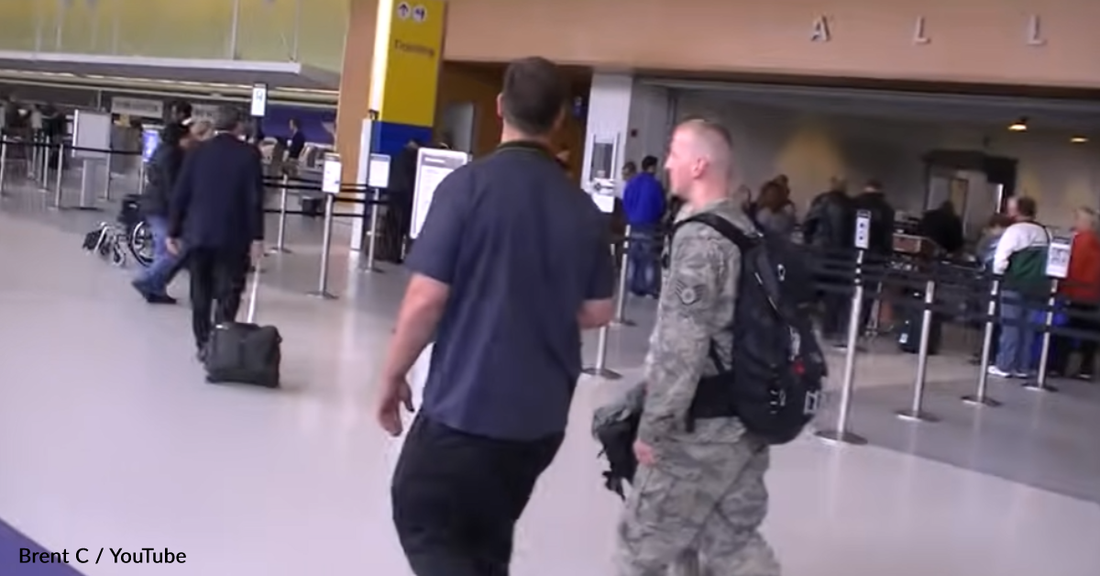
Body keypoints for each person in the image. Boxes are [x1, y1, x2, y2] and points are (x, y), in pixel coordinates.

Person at [377, 56, 615, 576]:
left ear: (501, 106)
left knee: (422, 513)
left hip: (468, 408)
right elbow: (599, 310)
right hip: (539, 422)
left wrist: (392, 374)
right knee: (486, 536)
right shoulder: (582, 210)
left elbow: (425, 299)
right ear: (558, 120)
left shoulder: (466, 188)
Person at [617, 118, 779, 576]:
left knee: (641, 548)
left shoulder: (701, 240)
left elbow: (680, 346)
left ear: (700, 163)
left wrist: (654, 427)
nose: (666, 162)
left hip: (697, 430)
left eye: (674, 152)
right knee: (725, 544)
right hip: (744, 420)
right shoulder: (744, 229)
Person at [167, 106, 265, 359]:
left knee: (200, 291)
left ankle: (202, 343)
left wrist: (173, 231)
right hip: (234, 237)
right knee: (229, 290)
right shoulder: (249, 155)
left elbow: (181, 192)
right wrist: (257, 237)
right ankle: (219, 340)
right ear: (238, 126)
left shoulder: (197, 152)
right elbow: (254, 198)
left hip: (198, 233)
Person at [990, 196, 1049, 378]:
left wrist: (998, 273)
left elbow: (1001, 259)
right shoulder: (1044, 231)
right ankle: (1022, 367)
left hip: (1014, 283)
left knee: (1010, 326)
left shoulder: (1014, 231)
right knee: (1028, 328)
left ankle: (1004, 365)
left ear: (1017, 211)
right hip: (1038, 285)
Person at [132, 122, 190, 304]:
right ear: (181, 138)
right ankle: (147, 280)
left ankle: (156, 289)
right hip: (162, 208)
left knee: (161, 250)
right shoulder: (174, 156)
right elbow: (173, 188)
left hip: (152, 204)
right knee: (175, 251)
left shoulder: (160, 151)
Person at [1049, 207, 1100, 380]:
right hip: (1093, 295)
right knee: (1089, 333)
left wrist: (1062, 289)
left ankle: (1057, 366)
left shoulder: (1079, 242)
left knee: (1063, 331)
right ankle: (1086, 368)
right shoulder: (1096, 242)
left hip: (1075, 293)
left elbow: (1072, 267)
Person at [803, 176, 855, 340]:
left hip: (819, 251)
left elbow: (808, 225)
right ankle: (830, 328)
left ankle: (806, 326)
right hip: (842, 256)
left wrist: (809, 242)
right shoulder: (851, 205)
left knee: (812, 290)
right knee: (835, 295)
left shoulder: (821, 201)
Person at [622, 155, 667, 298]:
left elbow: (625, 202)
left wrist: (630, 217)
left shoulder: (632, 183)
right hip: (649, 225)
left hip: (632, 225)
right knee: (648, 259)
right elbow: (660, 206)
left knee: (632, 258)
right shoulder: (655, 185)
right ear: (652, 167)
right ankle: (649, 289)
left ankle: (631, 288)